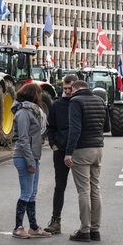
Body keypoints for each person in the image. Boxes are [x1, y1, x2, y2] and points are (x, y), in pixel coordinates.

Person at [64, 79, 106, 242]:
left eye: (70, 90)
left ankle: (85, 230)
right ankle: (95, 230)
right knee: (95, 188)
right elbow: (107, 126)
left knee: (83, 190)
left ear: (74, 89)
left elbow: (75, 129)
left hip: (82, 149)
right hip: (98, 148)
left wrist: (68, 153)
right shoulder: (100, 100)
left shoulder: (75, 101)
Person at [11, 83, 51, 239]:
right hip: (24, 157)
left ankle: (33, 226)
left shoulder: (33, 112)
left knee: (32, 193)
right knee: (26, 192)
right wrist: (30, 162)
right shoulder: (23, 113)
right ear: (33, 95)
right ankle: (18, 227)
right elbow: (23, 139)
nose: (40, 97)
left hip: (33, 156)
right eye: (39, 94)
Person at [44, 74, 77, 234]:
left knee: (84, 189)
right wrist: (53, 144)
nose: (68, 91)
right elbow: (50, 126)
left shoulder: (80, 103)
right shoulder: (57, 105)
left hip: (79, 151)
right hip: (61, 150)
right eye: (65, 89)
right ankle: (56, 221)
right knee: (60, 186)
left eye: (70, 89)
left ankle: (87, 224)